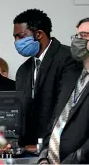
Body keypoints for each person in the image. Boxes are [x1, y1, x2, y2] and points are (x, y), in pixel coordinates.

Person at [13, 9, 77, 149]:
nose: (16, 42)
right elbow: (22, 114)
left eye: (21, 36)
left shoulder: (68, 59)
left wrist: (44, 145)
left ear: (39, 34)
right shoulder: (23, 71)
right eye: (15, 37)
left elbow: (65, 108)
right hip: (27, 151)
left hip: (58, 148)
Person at [38, 17, 89, 164]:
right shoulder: (71, 76)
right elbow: (57, 119)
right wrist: (43, 157)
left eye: (85, 35)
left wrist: (71, 162)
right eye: (77, 35)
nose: (78, 40)